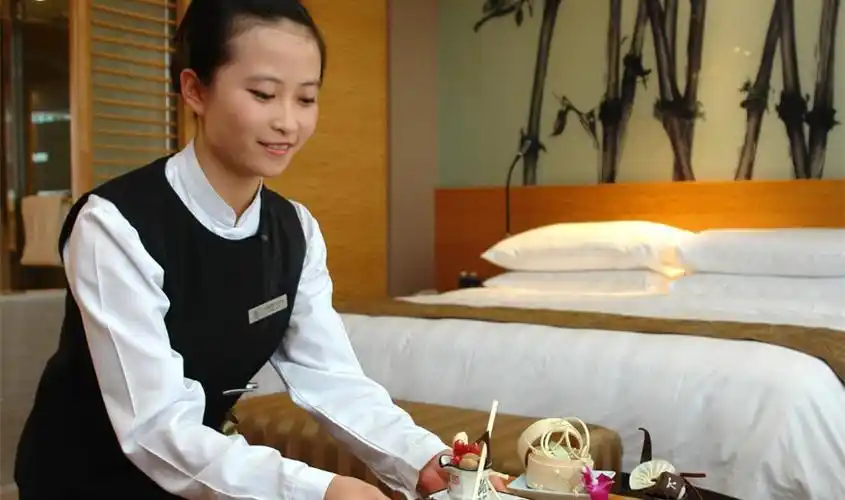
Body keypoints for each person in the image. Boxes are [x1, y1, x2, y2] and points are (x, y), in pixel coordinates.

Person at [14, 1, 504, 498]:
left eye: (306, 98)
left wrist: (422, 459)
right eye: (263, 94)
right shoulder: (114, 224)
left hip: (202, 475)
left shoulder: (295, 230)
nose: (288, 122)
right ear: (195, 89)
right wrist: (321, 490)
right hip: (84, 480)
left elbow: (331, 378)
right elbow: (154, 427)